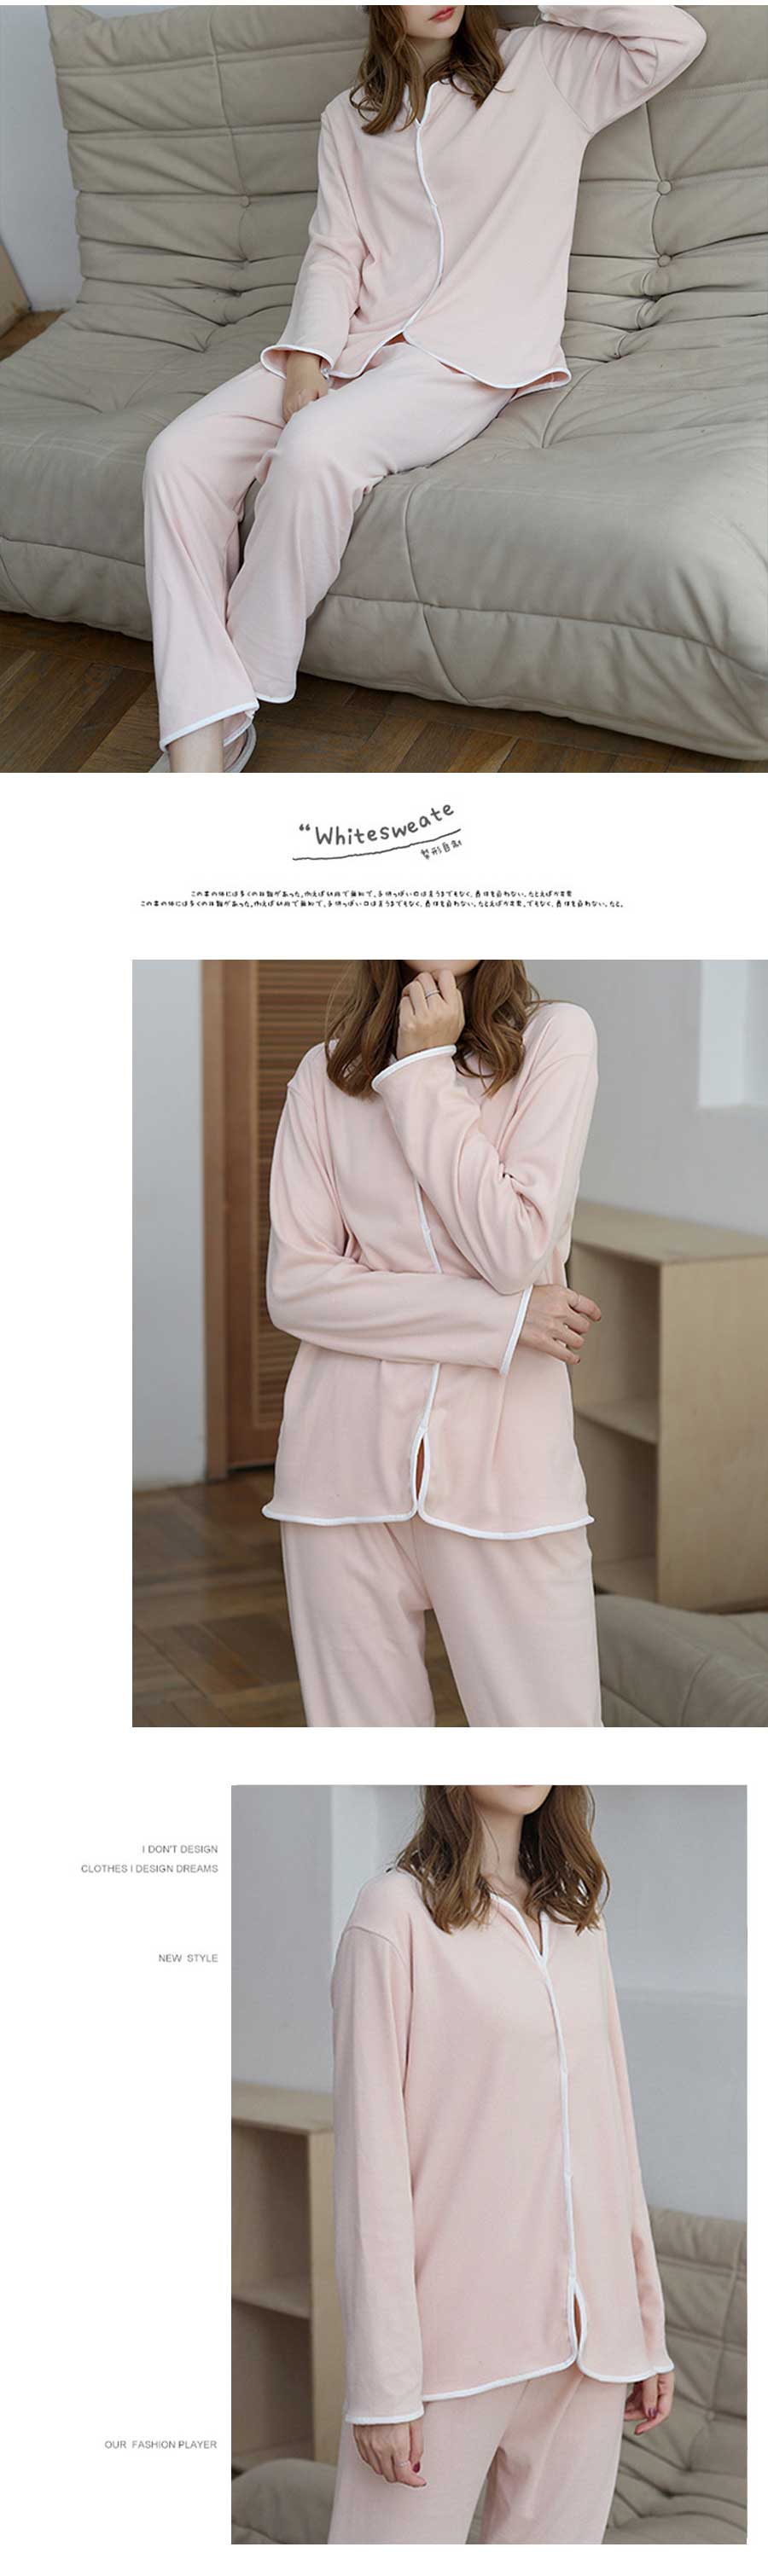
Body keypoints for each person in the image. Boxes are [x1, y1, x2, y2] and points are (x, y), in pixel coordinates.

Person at [143, 7, 706, 770]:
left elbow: (674, 37)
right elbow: (335, 250)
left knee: (313, 450)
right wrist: (306, 357)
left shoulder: (546, 68)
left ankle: (223, 719)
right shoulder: (348, 118)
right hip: (352, 343)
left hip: (464, 357)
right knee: (176, 459)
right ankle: (200, 741)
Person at [329, 1783, 675, 2544]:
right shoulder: (394, 1916)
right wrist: (384, 2386)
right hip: (449, 2350)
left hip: (591, 2349)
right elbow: (369, 2168)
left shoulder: (579, 1923)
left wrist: (645, 2328)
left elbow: (613, 2136)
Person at [266, 960, 602, 1726]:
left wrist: (421, 1073)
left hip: (507, 1480)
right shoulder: (325, 1075)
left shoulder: (557, 1040)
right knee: (368, 1766)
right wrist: (503, 1320)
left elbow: (513, 1249)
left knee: (553, 1749)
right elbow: (297, 1287)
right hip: (340, 1474)